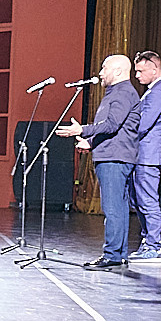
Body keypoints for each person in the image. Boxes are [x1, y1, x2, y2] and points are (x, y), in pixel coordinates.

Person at [56, 53, 140, 269]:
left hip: (114, 158)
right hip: (115, 155)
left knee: (112, 209)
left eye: (104, 68)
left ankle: (112, 255)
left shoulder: (122, 93)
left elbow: (112, 125)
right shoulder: (118, 92)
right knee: (118, 208)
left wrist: (82, 130)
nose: (100, 73)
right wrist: (91, 142)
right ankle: (118, 254)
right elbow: (114, 128)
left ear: (118, 71)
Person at [125, 49, 161, 263]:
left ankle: (154, 245)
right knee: (140, 200)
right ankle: (149, 241)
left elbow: (143, 124)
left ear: (155, 69)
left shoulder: (159, 91)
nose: (137, 75)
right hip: (144, 154)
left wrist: (122, 133)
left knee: (147, 200)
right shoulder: (156, 90)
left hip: (149, 155)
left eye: (140, 71)